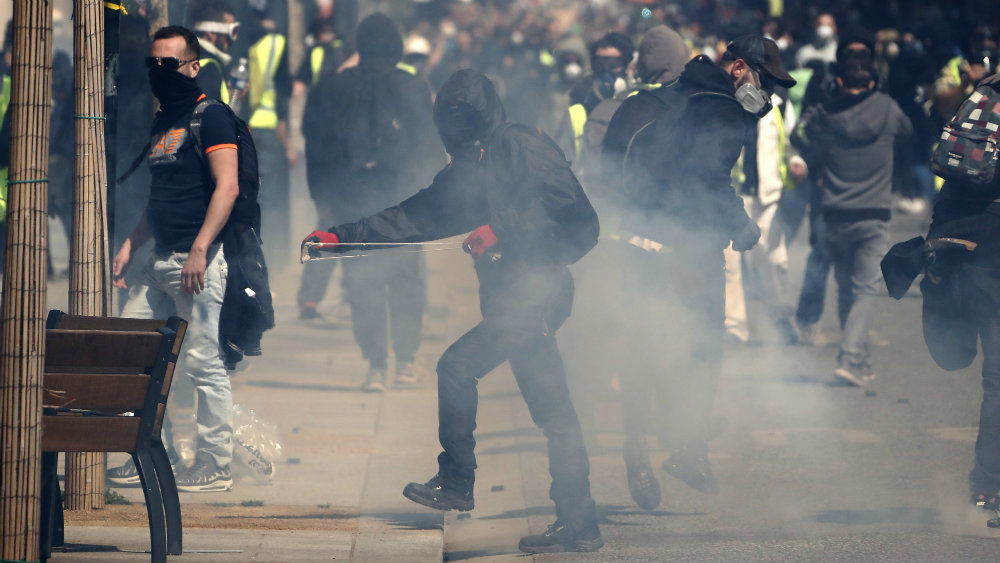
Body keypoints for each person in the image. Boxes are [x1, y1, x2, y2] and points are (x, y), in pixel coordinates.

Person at [302, 69, 603, 553]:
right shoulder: (469, 165)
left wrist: (500, 229)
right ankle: (580, 522)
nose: (453, 135)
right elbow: (413, 216)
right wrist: (340, 238)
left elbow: (572, 209)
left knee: (458, 367)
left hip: (541, 290)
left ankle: (459, 481)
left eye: (460, 122)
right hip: (512, 296)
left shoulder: (519, 143)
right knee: (553, 409)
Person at [612, 36, 793, 499]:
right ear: (738, 68)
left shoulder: (660, 98)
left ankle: (638, 456)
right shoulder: (722, 108)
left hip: (635, 246)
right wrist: (742, 225)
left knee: (641, 356)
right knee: (702, 351)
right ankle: (688, 450)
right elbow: (708, 178)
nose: (769, 94)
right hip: (690, 253)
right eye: (765, 80)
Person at [106, 25, 239, 492]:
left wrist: (201, 249)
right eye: (153, 64)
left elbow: (228, 187)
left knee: (203, 362)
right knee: (134, 353)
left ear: (193, 66)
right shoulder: (164, 121)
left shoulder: (213, 117)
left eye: (169, 64)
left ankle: (215, 461)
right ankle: (147, 454)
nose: (159, 72)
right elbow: (159, 196)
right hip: (157, 258)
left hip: (196, 262)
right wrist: (130, 243)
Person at [300, 13, 442, 391]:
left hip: (351, 203)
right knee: (408, 282)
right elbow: (431, 147)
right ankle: (406, 363)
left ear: (359, 46)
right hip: (406, 205)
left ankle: (376, 366)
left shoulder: (332, 88)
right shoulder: (414, 87)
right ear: (396, 46)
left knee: (363, 282)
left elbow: (316, 146)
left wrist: (324, 202)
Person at [911, 71, 1000, 526]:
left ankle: (987, 490)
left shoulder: (982, 100)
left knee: (978, 368)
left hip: (962, 243)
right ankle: (988, 488)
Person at [794, 57, 911, 387]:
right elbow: (907, 131)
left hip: (834, 215)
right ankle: (849, 357)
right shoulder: (888, 109)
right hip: (872, 215)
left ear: (840, 82)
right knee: (864, 291)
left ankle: (858, 360)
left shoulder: (826, 112)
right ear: (873, 83)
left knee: (848, 289)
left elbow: (799, 134)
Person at [244, 7, 295, 271]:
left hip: (246, 131)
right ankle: (272, 258)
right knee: (270, 201)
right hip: (269, 134)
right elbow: (282, 103)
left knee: (252, 198)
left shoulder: (243, 43)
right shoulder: (275, 43)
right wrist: (288, 145)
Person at [190, 0, 238, 104]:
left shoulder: (188, 57)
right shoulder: (209, 69)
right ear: (211, 32)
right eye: (232, 32)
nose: (232, 40)